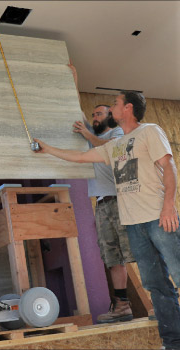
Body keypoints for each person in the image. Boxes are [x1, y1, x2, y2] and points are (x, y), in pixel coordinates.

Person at [34, 90, 180, 349]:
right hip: (134, 225)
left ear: (129, 109)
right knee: (155, 285)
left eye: (116, 103)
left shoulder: (150, 131)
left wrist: (169, 206)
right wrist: (47, 149)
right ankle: (173, 343)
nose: (113, 106)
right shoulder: (114, 146)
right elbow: (79, 157)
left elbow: (169, 166)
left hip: (158, 218)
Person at [73, 103, 135, 323]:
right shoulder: (94, 136)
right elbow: (79, 110)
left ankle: (159, 302)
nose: (94, 117)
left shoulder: (116, 132)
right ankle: (122, 306)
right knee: (112, 257)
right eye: (93, 115)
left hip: (120, 201)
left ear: (111, 116)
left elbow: (110, 148)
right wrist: (72, 80)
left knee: (133, 252)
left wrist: (88, 133)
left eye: (98, 114)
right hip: (101, 203)